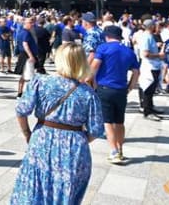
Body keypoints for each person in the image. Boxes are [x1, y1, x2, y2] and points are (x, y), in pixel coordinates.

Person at [10, 42, 105, 205]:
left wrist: (27, 133)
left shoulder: (40, 82)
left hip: (42, 139)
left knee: (35, 188)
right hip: (75, 147)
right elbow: (96, 129)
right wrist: (79, 138)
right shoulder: (88, 93)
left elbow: (21, 110)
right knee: (66, 191)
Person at [86, 25, 139, 164]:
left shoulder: (103, 48)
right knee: (119, 121)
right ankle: (120, 149)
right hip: (121, 89)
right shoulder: (129, 51)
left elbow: (95, 65)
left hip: (105, 88)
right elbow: (136, 72)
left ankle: (113, 151)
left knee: (107, 122)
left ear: (107, 36)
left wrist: (88, 80)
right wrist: (130, 87)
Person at [133, 19, 164, 120]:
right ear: (151, 26)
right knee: (148, 89)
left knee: (151, 89)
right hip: (150, 66)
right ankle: (147, 111)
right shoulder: (146, 37)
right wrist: (159, 55)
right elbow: (145, 54)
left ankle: (150, 107)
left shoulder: (148, 36)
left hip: (153, 65)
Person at [14, 16, 39, 98]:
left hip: (23, 55)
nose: (32, 24)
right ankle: (29, 94)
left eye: (32, 22)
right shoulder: (26, 33)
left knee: (24, 76)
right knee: (30, 76)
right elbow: (25, 44)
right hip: (27, 56)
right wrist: (31, 56)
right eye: (30, 23)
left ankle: (20, 93)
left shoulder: (21, 32)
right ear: (25, 24)